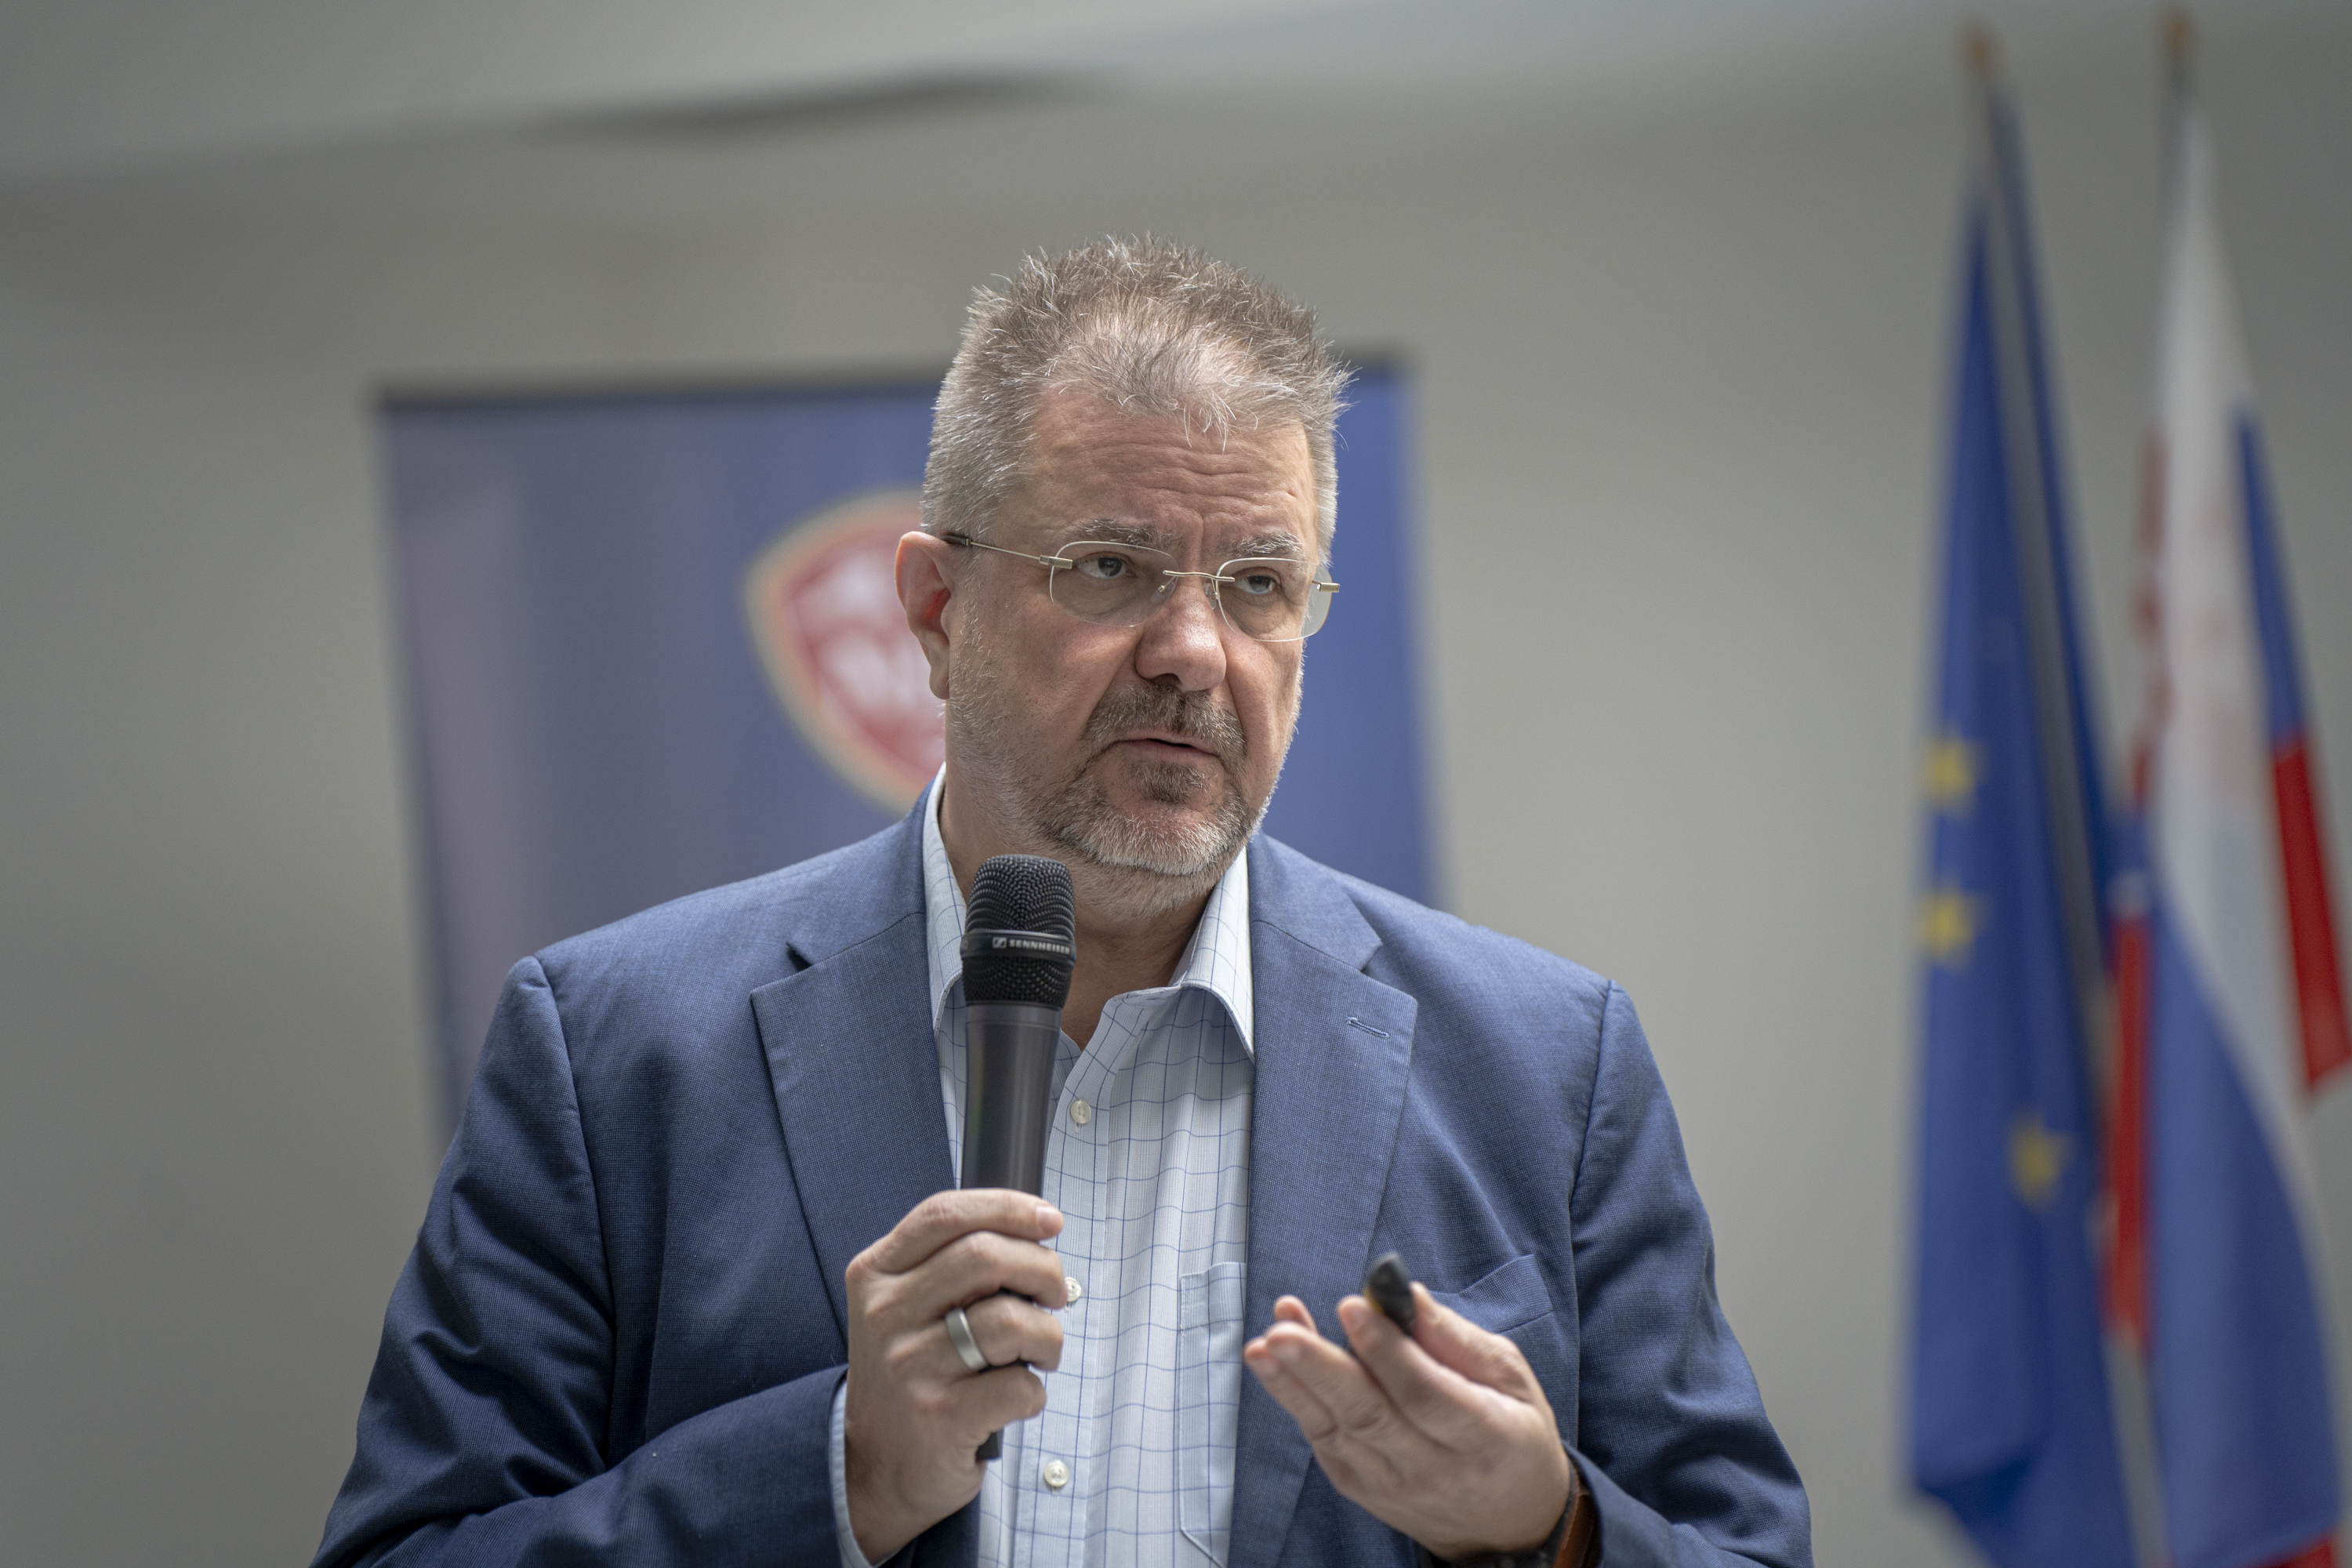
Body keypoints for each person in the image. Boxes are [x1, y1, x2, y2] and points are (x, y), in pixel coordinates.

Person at [314, 238, 1812, 1568]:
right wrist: (838, 1474)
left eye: (1259, 585)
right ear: (935, 611)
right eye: (1110, 567)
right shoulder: (612, 1054)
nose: (1195, 652)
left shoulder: (1548, 1070)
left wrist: (1548, 1532)